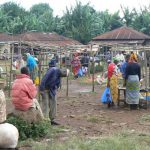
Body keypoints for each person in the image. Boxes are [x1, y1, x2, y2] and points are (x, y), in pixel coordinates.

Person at [39, 61, 69, 125]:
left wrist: (55, 89)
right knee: (46, 104)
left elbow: (58, 84)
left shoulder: (59, 74)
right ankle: (45, 120)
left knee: (53, 103)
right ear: (63, 71)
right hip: (45, 89)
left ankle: (52, 119)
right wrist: (41, 89)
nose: (63, 76)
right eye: (64, 74)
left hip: (51, 90)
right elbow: (44, 78)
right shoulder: (53, 70)